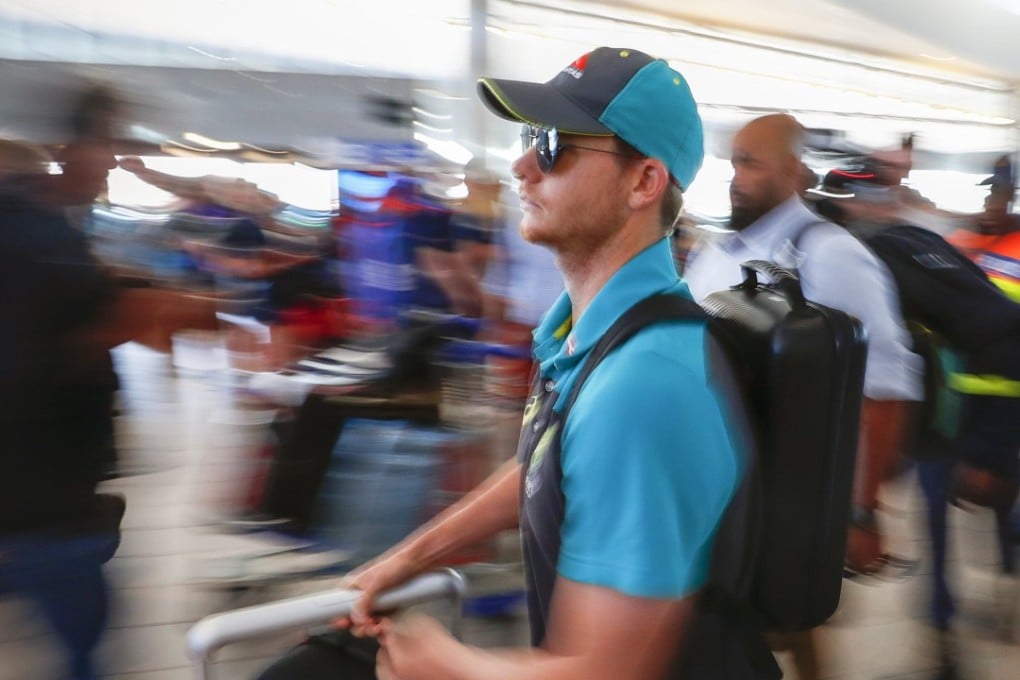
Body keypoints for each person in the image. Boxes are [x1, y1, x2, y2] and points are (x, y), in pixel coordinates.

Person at [257, 46, 743, 680]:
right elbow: (546, 464)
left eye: (554, 146)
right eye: (528, 137)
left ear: (643, 182)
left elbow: (609, 671)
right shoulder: (590, 336)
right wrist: (409, 558)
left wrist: (444, 664)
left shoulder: (642, 384)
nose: (521, 165)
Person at [682, 114, 925, 679]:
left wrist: (861, 510)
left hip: (782, 498)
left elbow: (887, 386)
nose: (736, 177)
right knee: (760, 633)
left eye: (751, 163)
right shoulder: (717, 252)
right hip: (711, 489)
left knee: (769, 624)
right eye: (733, 162)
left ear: (793, 172)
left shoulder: (828, 255)